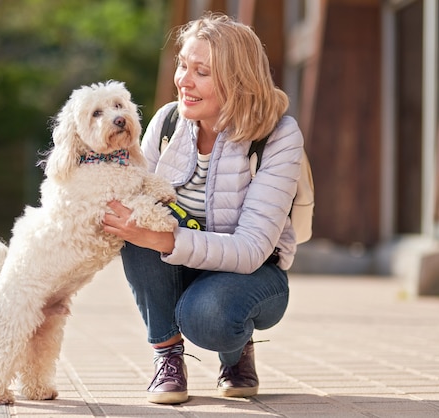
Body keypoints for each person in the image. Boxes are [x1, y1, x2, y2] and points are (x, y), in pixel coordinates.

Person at [102, 12, 303, 404]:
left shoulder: (278, 135)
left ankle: (237, 348)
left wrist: (161, 237)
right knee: (135, 223)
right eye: (182, 65)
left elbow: (250, 249)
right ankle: (168, 358)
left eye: (202, 71)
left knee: (206, 315)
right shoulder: (166, 122)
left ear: (237, 79)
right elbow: (130, 194)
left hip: (253, 274)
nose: (184, 80)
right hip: (178, 262)